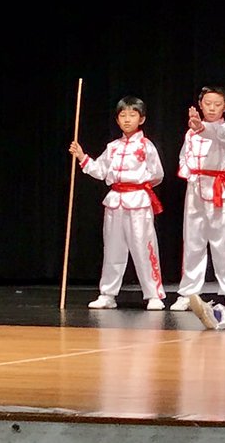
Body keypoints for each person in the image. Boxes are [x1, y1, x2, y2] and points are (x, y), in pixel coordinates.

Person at [69, 96, 166, 310]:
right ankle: (108, 293)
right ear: (117, 120)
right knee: (113, 249)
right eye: (123, 116)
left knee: (143, 247)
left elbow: (157, 174)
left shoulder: (146, 146)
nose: (127, 120)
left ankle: (153, 294)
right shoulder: (112, 147)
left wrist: (138, 185)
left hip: (138, 200)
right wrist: (82, 156)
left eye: (132, 115)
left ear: (141, 119)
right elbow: (100, 170)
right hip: (115, 201)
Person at [171, 86, 225, 311]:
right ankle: (189, 293)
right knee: (193, 242)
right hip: (196, 189)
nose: (212, 108)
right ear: (200, 105)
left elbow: (218, 134)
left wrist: (201, 127)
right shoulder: (190, 132)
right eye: (207, 103)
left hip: (219, 189)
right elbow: (184, 156)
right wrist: (187, 171)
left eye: (217, 104)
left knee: (224, 243)